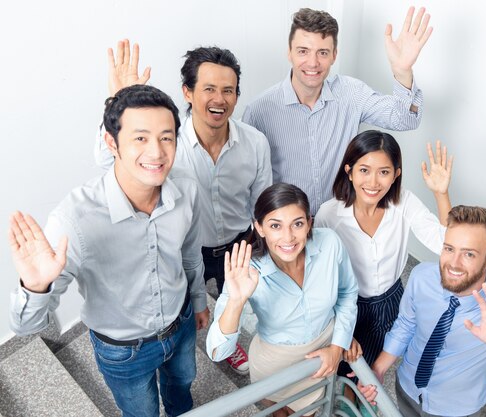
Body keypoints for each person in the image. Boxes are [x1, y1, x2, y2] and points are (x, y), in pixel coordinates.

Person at [8, 85, 210, 417]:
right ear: (111, 143)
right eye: (141, 138)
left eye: (166, 137)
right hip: (124, 351)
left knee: (182, 390)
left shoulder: (186, 188)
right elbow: (28, 327)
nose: (157, 152)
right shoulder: (74, 220)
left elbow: (189, 254)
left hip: (182, 321)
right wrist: (35, 286)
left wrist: (199, 301)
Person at [95, 40, 273, 374]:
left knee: (230, 298)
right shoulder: (164, 143)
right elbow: (108, 161)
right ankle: (183, 346)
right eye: (208, 88)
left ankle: (227, 344)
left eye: (228, 90)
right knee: (184, 308)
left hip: (238, 243)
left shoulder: (255, 142)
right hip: (183, 247)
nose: (219, 99)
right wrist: (120, 107)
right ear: (187, 92)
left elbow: (262, 201)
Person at [359, 206, 486, 417]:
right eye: (449, 249)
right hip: (407, 386)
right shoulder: (422, 276)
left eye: (469, 254)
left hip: (456, 410)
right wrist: (378, 369)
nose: (453, 263)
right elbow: (406, 324)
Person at [243, 6, 433, 214]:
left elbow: (405, 120)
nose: (313, 63)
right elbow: (247, 182)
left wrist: (402, 72)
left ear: (334, 55)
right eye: (303, 51)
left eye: (322, 52)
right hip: (286, 231)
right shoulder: (258, 111)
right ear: (289, 52)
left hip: (339, 225)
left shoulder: (351, 93)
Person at [314, 130, 452, 414]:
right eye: (364, 170)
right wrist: (338, 325)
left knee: (367, 373)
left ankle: (356, 405)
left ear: (396, 175)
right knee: (338, 371)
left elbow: (445, 244)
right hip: (346, 305)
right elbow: (319, 274)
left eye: (384, 172)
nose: (374, 182)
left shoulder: (404, 204)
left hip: (389, 302)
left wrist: (441, 193)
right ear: (349, 171)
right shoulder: (329, 214)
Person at [206, 183, 358, 417]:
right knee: (279, 412)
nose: (288, 237)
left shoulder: (329, 243)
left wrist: (338, 346)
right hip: (274, 363)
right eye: (275, 226)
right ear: (259, 227)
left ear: (309, 222)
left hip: (322, 352)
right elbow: (217, 352)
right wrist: (236, 301)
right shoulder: (247, 269)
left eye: (297, 224)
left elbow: (347, 293)